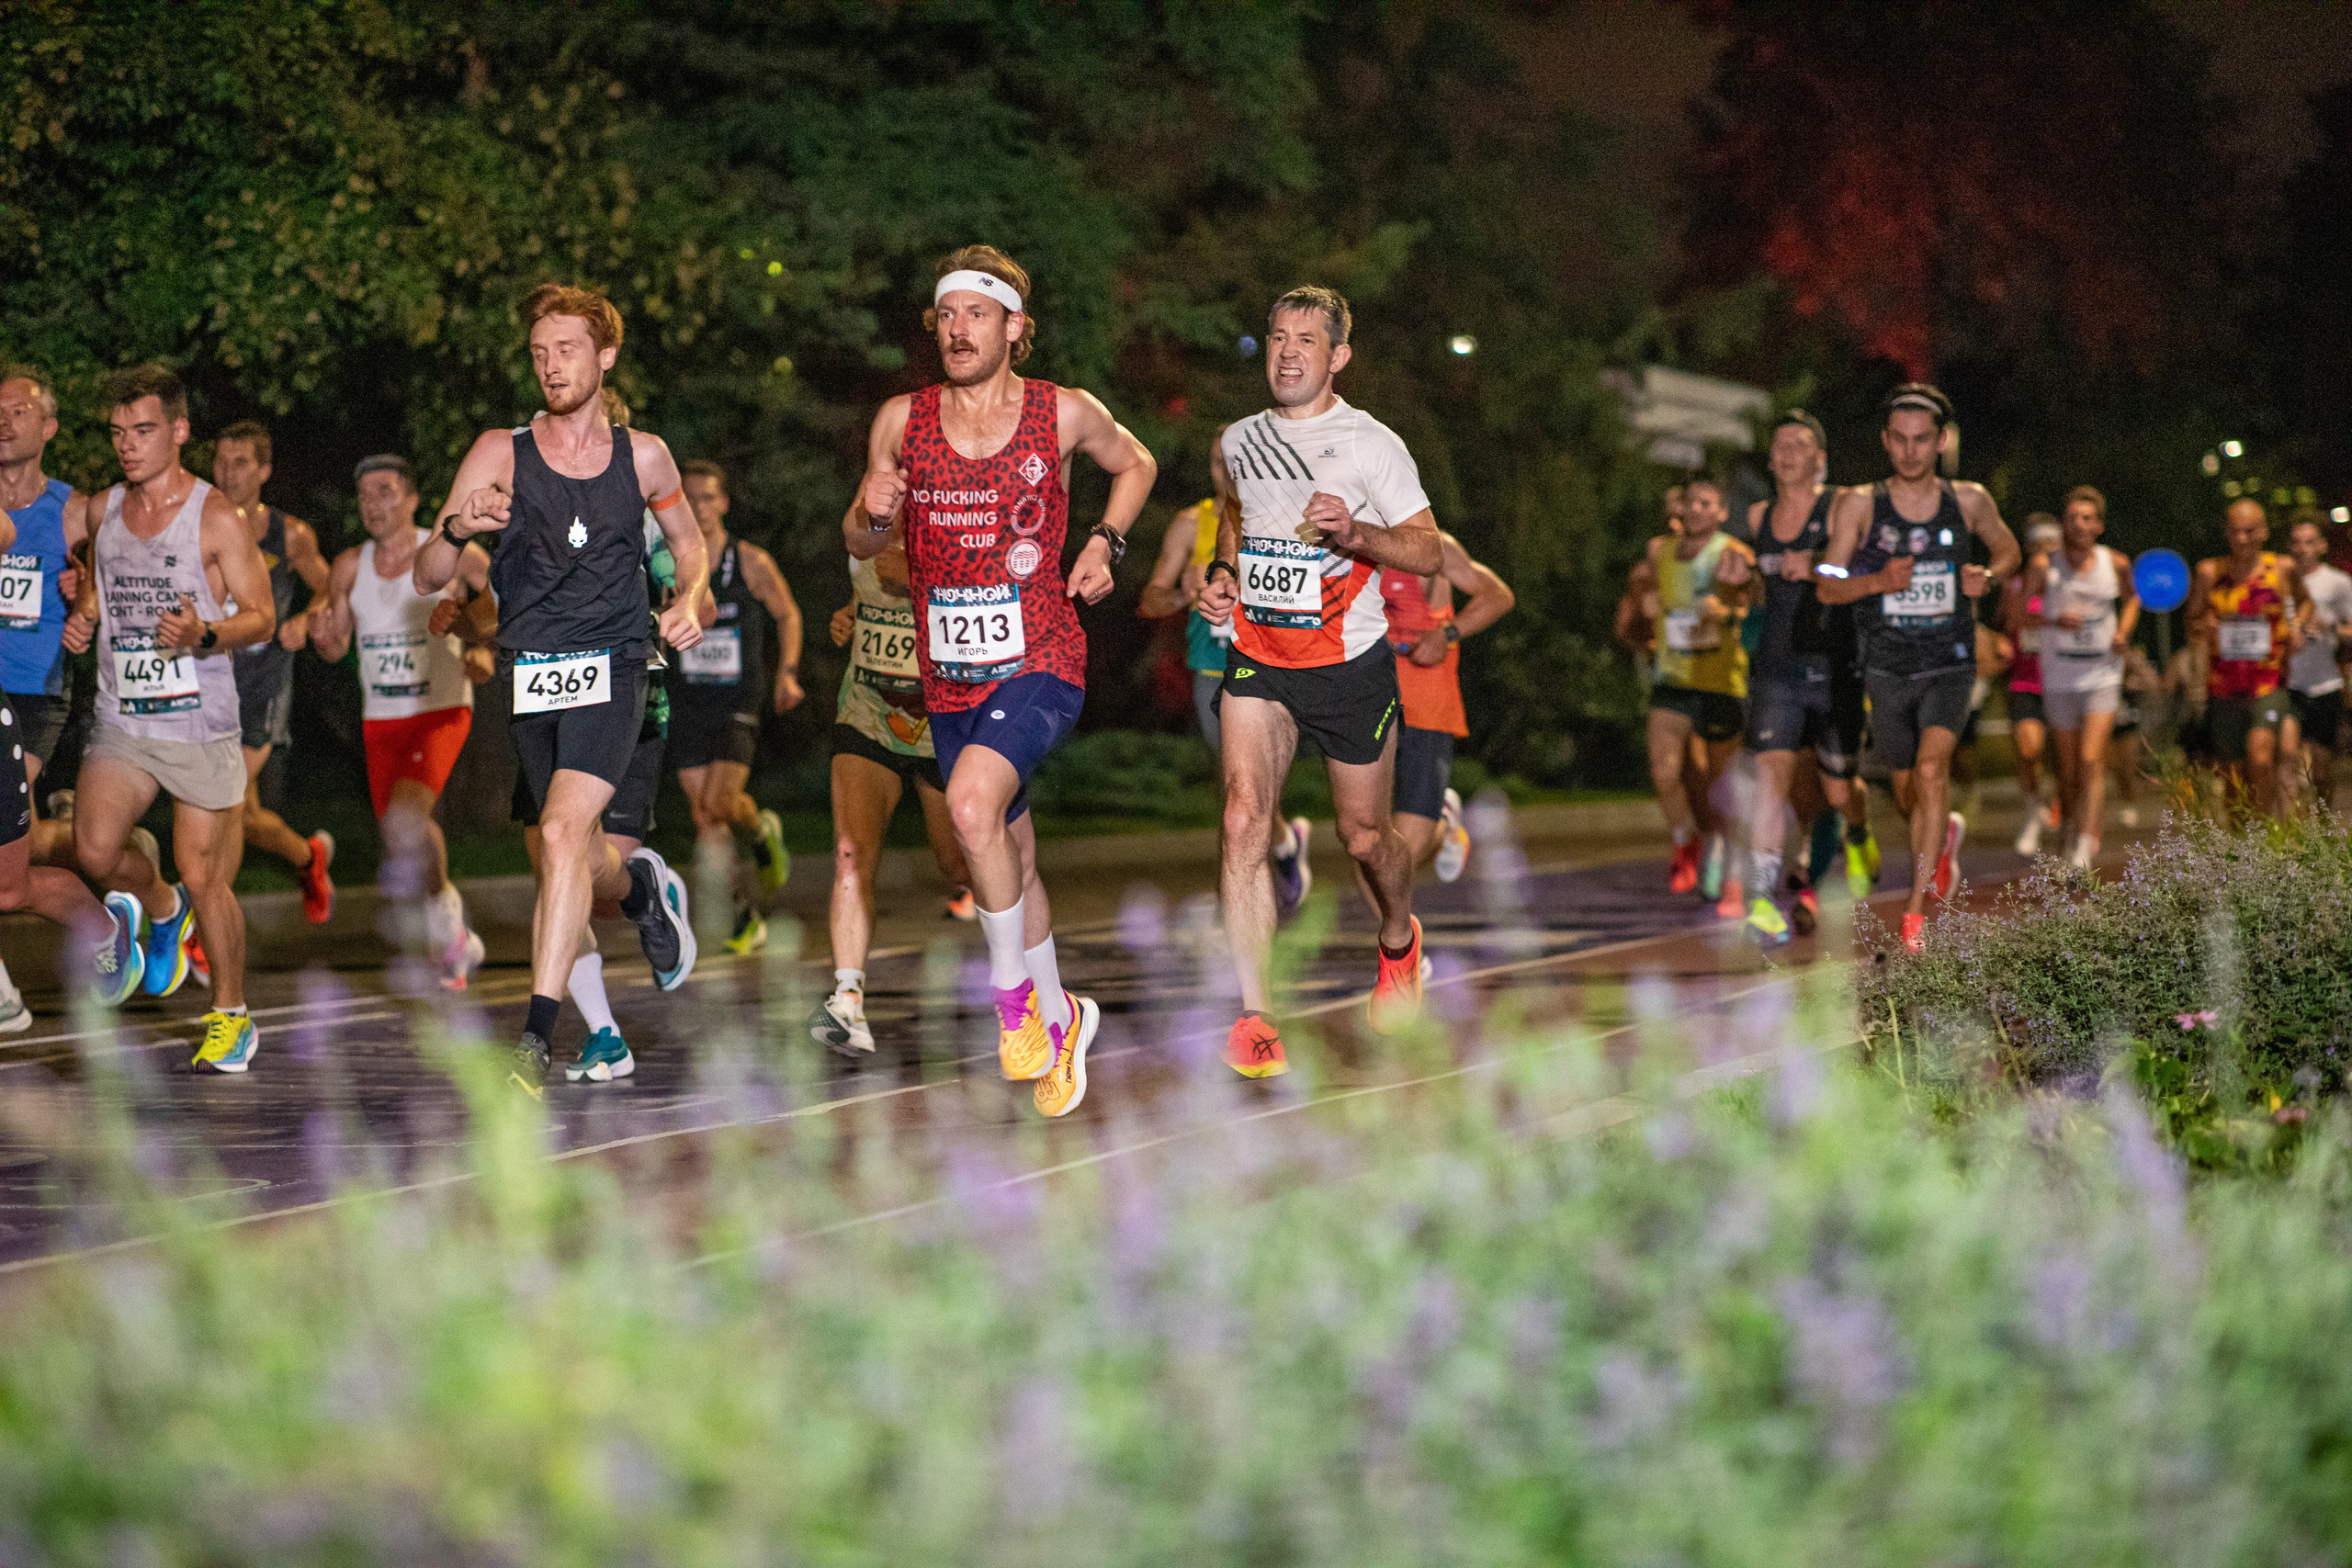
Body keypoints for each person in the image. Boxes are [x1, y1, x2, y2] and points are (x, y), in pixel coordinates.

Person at [844, 244, 1156, 1117]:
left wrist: (1105, 542)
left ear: (1014, 327)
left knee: (971, 805)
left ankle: (1013, 1001)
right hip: (950, 672)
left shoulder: (1063, 412)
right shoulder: (901, 421)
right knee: (1008, 852)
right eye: (946, 315)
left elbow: (1137, 463)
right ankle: (1063, 1017)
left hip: (1041, 654)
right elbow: (861, 539)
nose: (957, 330)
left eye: (975, 315)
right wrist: (871, 514)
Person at [418, 283, 708, 1091]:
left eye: (568, 349)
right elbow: (427, 573)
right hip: (532, 672)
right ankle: (640, 889)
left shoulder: (643, 456)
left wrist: (687, 598)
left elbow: (690, 546)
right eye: (540, 353)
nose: (551, 366)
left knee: (556, 835)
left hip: (616, 663)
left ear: (606, 355)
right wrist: (458, 527)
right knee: (573, 854)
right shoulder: (497, 452)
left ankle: (535, 1038)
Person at [1194, 284, 1442, 1077]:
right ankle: (1256, 1017)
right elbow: (1236, 520)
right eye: (1277, 337)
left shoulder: (1371, 444)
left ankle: (1398, 938)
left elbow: (1428, 550)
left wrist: (1357, 532)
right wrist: (1223, 575)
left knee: (1364, 837)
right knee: (1242, 818)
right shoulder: (1240, 439)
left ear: (1339, 356)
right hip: (1260, 659)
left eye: (1306, 340)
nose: (1288, 352)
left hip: (1348, 667)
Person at [61, 364, 280, 1067]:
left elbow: (263, 616)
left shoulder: (215, 517)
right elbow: (99, 577)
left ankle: (232, 1016)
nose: (128, 444)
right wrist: (84, 609)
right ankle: (160, 906)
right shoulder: (104, 509)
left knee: (205, 873)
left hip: (198, 722)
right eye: (118, 432)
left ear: (179, 431)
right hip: (124, 715)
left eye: (144, 430)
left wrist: (203, 632)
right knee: (95, 851)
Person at [1817, 383, 2019, 952]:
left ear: (1941, 441)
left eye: (1922, 439)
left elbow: (2008, 551)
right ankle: (1943, 835)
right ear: (1886, 441)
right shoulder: (1860, 503)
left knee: (1931, 773)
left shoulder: (1969, 500)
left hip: (1949, 663)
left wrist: (1988, 577)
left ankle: (1914, 912)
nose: (1911, 451)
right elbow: (1827, 584)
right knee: (1909, 791)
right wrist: (1876, 582)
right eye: (1901, 440)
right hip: (1886, 667)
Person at [305, 454, 488, 987]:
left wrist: (483, 646)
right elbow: (336, 645)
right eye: (364, 495)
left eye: (385, 492)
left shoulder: (452, 552)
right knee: (400, 833)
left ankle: (444, 929)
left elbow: (501, 604)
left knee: (407, 819)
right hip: (381, 718)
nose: (373, 504)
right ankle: (451, 925)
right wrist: (324, 638)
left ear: (411, 500)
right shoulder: (348, 566)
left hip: (440, 709)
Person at [806, 536, 979, 1056]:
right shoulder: (864, 526)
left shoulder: (956, 522)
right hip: (867, 716)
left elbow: (991, 603)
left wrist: (920, 580)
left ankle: (1025, 979)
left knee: (960, 866)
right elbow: (867, 595)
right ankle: (848, 1001)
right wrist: (851, 614)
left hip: (944, 726)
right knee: (851, 855)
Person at [1137, 479, 1312, 910]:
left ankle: (1249, 886)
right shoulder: (1191, 524)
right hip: (1214, 672)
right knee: (1236, 789)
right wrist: (1185, 593)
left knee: (1251, 788)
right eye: (1220, 459)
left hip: (1272, 669)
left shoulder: (1283, 515)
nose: (1229, 468)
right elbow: (1151, 601)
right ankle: (1280, 850)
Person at [668, 459, 800, 953]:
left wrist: (787, 672)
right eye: (689, 498)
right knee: (706, 818)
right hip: (686, 701)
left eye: (707, 497)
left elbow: (788, 614)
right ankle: (743, 916)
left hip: (736, 699)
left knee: (719, 804)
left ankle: (759, 830)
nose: (698, 507)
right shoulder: (669, 562)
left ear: (723, 503)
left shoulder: (749, 561)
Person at [0, 366, 97, 1030]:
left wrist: (84, 605)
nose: (4, 422)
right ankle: (88, 846)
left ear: (49, 427)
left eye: (19, 412)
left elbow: (101, 580)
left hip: (33, 694)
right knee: (18, 854)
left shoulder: (72, 509)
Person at [209, 422, 336, 924]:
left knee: (226, 802)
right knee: (247, 814)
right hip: (211, 682)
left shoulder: (291, 535)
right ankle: (308, 857)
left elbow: (330, 587)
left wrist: (306, 617)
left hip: (264, 685)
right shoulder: (201, 523)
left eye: (241, 462)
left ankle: (209, 924)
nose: (228, 472)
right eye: (221, 461)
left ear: (264, 470)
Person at [1625, 477, 1753, 900]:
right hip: (1673, 677)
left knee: (1721, 784)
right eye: (1691, 501)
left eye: (1707, 503)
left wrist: (1725, 612)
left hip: (1719, 681)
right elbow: (1647, 592)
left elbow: (1752, 609)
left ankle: (1728, 864)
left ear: (1722, 512)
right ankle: (1685, 840)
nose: (1696, 509)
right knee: (1663, 772)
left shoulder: (1733, 553)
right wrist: (1646, 602)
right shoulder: (1658, 551)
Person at [1374, 529, 1514, 889]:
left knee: (1407, 849)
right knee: (1369, 846)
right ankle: (1396, 929)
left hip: (1426, 706)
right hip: (1368, 703)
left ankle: (1442, 824)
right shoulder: (1345, 542)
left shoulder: (1435, 547)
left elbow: (1498, 596)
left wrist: (1446, 634)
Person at [2033, 485, 2140, 867]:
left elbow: (2133, 598)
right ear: (2064, 523)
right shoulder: (2045, 565)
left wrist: (2122, 632)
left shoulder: (2116, 563)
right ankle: (2069, 830)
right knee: (2068, 769)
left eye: (2087, 518)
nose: (2079, 524)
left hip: (2102, 673)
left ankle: (2083, 844)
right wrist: (2052, 619)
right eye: (2072, 518)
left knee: (2091, 758)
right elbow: (2021, 612)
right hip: (2060, 674)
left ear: (2099, 526)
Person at [2190, 498, 2305, 819]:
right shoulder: (2210, 571)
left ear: (2264, 531)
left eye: (2249, 531)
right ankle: (2241, 835)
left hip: (2268, 682)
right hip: (2223, 686)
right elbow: (2192, 620)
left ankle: (2263, 831)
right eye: (2235, 531)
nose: (2242, 538)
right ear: (2227, 532)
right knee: (2232, 773)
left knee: (2261, 758)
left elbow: (2305, 603)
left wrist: (2297, 628)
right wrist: (2204, 626)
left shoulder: (2281, 568)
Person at [2000, 513, 2062, 855]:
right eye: (2038, 545)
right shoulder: (2015, 585)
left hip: (2063, 681)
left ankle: (2062, 807)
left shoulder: (2070, 584)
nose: (2044, 551)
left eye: (2051, 545)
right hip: (2025, 679)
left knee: (2064, 757)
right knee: (2029, 749)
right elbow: (2006, 622)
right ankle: (2033, 813)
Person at [2283, 508, 2352, 809]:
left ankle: (2323, 822)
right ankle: (2294, 826)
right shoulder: (2278, 579)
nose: (2303, 549)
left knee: (2321, 769)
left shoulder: (2338, 582)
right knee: (2290, 759)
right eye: (2297, 542)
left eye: (2309, 542)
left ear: (2322, 545)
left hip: (2325, 683)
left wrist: (2329, 627)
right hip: (2287, 683)